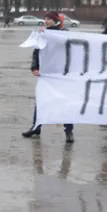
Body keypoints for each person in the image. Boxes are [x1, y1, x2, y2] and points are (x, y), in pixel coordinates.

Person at [22, 12, 75, 143]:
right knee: (41, 100)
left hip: (61, 74)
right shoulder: (42, 34)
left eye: (49, 19)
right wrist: (35, 67)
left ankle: (69, 131)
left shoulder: (64, 34)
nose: (46, 21)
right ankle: (36, 127)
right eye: (45, 19)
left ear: (56, 21)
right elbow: (37, 52)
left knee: (66, 102)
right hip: (46, 73)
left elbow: (73, 51)